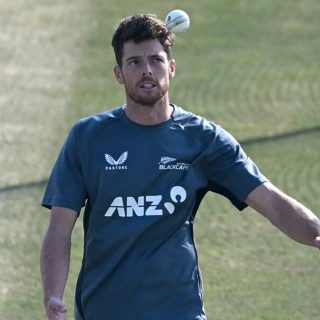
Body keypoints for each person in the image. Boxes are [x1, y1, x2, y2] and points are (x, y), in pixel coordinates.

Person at [40, 13, 320, 320]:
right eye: (134, 62)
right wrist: (52, 295)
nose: (147, 70)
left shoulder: (204, 140)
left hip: (179, 312)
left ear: (171, 68)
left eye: (156, 60)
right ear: (119, 73)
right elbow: (59, 229)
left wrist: (316, 232)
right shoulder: (87, 137)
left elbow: (273, 203)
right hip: (102, 312)